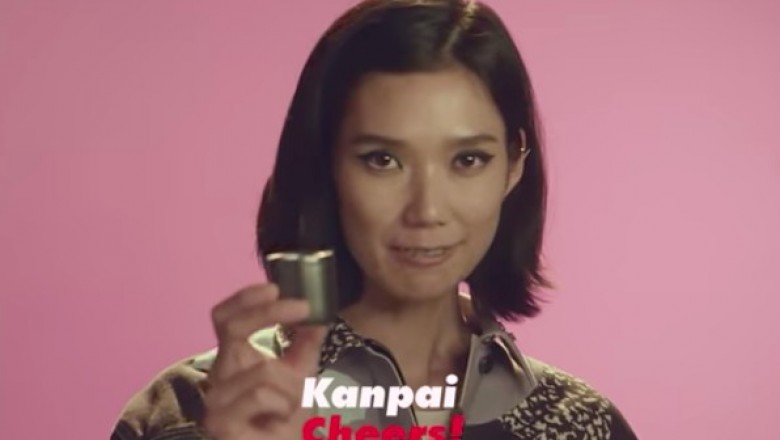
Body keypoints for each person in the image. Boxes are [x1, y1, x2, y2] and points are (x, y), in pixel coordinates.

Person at [111, 0, 638, 439]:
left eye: (468, 159)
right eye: (383, 160)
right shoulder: (191, 412)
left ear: (514, 164)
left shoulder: (582, 424)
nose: (427, 211)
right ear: (325, 164)